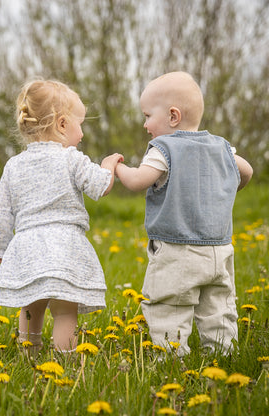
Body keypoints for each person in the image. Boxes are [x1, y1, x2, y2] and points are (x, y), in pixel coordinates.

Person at [116, 71, 253, 355]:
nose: (145, 125)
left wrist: (116, 166)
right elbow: (247, 171)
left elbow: (136, 180)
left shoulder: (164, 149)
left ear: (173, 116)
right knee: (219, 307)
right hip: (219, 249)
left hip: (178, 249)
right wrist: (228, 188)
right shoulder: (222, 147)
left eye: (147, 116)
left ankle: (171, 359)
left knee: (170, 305)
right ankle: (222, 355)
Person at [0, 79, 123, 353]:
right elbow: (99, 186)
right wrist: (108, 166)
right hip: (64, 248)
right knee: (64, 311)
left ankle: (29, 352)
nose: (81, 133)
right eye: (79, 124)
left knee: (31, 305)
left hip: (27, 248)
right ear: (61, 124)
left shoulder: (13, 165)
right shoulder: (71, 158)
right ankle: (65, 361)